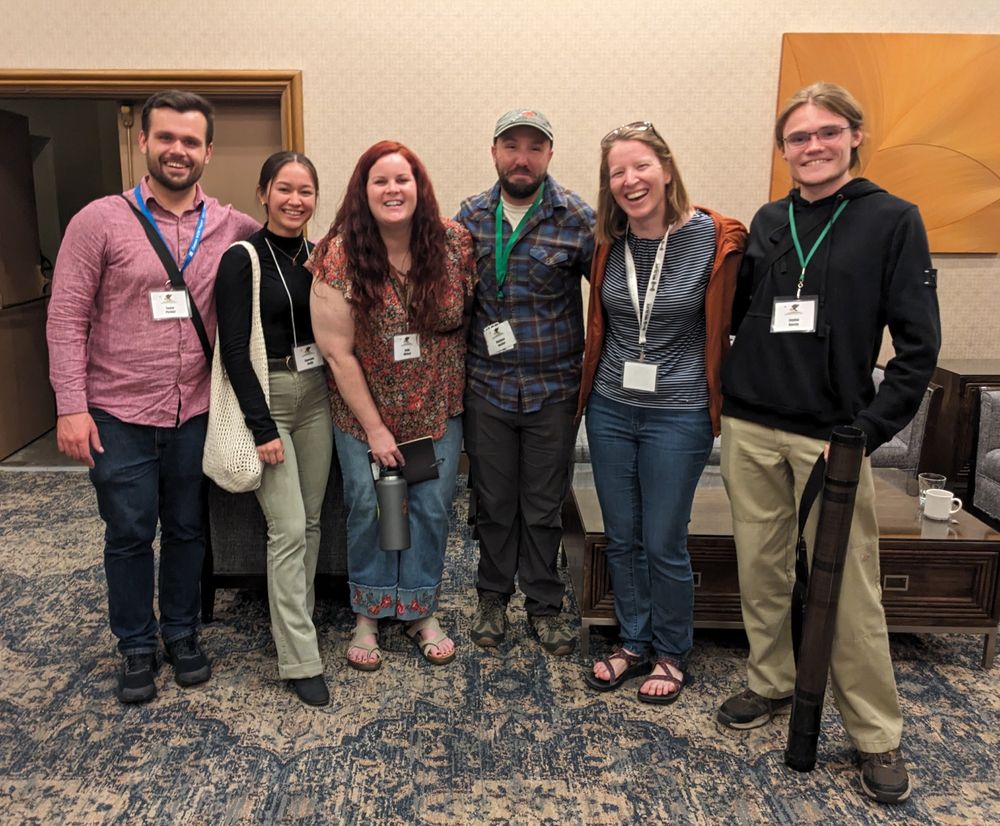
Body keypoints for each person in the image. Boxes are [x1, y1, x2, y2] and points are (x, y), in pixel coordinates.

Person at [717, 83, 940, 804]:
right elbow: (743, 308)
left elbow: (917, 347)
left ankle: (876, 734)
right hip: (750, 423)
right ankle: (771, 680)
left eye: (825, 133)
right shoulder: (770, 218)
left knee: (848, 591)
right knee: (763, 568)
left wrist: (868, 431)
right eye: (797, 137)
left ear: (854, 137)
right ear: (783, 150)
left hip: (831, 440)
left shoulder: (893, 220)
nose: (811, 147)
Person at [46, 90, 259, 703]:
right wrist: (70, 405)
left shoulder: (230, 227)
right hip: (118, 413)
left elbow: (288, 250)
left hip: (196, 410)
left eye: (191, 141)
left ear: (208, 152)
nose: (178, 150)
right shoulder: (99, 221)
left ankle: (183, 633)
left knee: (189, 530)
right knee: (130, 531)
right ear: (143, 142)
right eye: (166, 137)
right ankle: (137, 644)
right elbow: (66, 319)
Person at [577, 122, 747, 702]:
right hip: (610, 409)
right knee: (621, 537)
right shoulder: (608, 243)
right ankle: (631, 641)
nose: (629, 180)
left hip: (679, 413)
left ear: (667, 169)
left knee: (664, 538)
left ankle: (671, 652)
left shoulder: (717, 238)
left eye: (640, 166)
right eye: (616, 172)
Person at [309, 141, 474, 671]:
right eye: (380, 181)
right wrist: (376, 429)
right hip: (364, 414)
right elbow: (336, 353)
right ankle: (369, 614)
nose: (392, 190)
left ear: (418, 186)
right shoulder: (339, 254)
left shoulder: (454, 244)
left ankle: (421, 610)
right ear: (363, 190)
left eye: (402, 179)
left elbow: (471, 317)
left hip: (438, 408)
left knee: (430, 509)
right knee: (371, 507)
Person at [457, 108, 595, 655]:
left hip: (552, 390)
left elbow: (612, 299)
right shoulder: (468, 217)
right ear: (493, 152)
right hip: (486, 386)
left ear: (550, 155)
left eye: (534, 148)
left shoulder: (577, 218)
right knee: (492, 500)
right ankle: (492, 596)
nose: (522, 157)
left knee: (542, 503)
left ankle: (543, 602)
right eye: (511, 145)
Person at [214, 151, 332, 706]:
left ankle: (296, 623)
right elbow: (234, 351)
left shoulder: (321, 255)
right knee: (285, 528)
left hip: (317, 398)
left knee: (310, 524)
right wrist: (261, 426)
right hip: (270, 398)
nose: (295, 201)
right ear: (263, 193)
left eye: (305, 191)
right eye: (284, 189)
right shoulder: (243, 259)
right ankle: (300, 658)